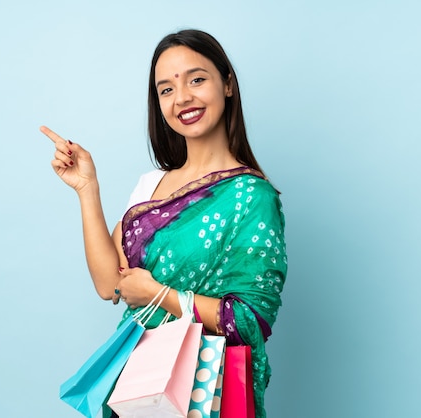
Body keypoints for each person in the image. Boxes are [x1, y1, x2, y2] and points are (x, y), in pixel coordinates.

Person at [42, 29, 287, 418]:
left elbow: (249, 319)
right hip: (141, 381)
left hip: (209, 389)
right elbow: (110, 284)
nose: (183, 98)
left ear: (226, 84)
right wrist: (87, 189)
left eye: (196, 79)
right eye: (166, 89)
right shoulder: (151, 185)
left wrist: (160, 295)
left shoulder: (252, 198)